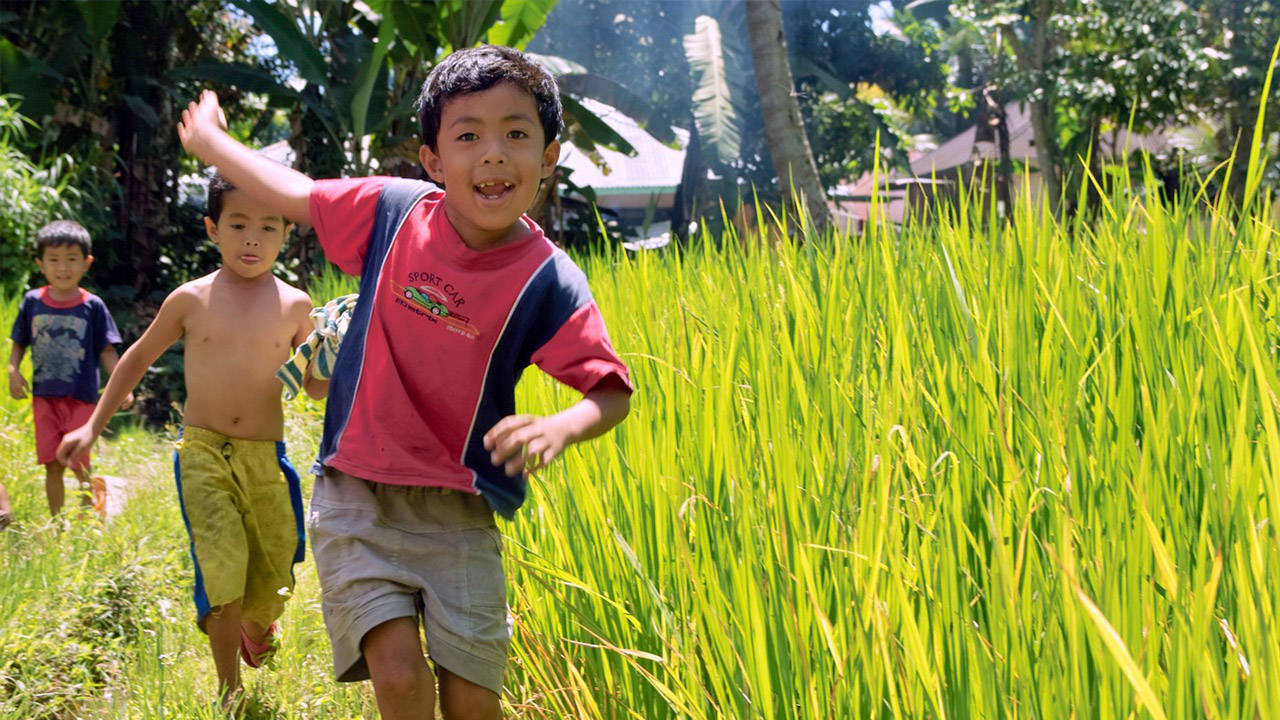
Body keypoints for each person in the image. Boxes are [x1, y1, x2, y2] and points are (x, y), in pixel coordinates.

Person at [177, 44, 633, 720]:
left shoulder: (549, 278)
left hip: (460, 515)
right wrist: (215, 143)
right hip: (357, 493)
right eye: (468, 136)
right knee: (396, 677)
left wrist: (561, 426)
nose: (494, 154)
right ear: (433, 160)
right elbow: (297, 195)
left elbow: (611, 391)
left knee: (473, 703)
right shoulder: (393, 213)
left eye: (517, 134)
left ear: (550, 155)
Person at [57, 174, 327, 709]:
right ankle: (229, 691)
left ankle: (257, 626)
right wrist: (92, 425)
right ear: (213, 229)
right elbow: (135, 358)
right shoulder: (192, 299)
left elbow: (316, 389)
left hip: (266, 460)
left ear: (285, 233)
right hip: (202, 454)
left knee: (277, 573)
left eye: (267, 226)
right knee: (221, 570)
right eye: (238, 224)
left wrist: (338, 353)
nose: (252, 238)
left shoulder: (297, 307)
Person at [8, 220, 131, 518]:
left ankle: (89, 518)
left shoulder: (93, 306)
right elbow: (19, 342)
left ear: (86, 263)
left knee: (79, 461)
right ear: (40, 263)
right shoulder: (32, 302)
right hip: (44, 397)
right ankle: (57, 526)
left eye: (71, 259)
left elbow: (107, 350)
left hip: (82, 398)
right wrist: (13, 371)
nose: (63, 267)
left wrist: (122, 386)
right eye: (54, 260)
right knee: (52, 463)